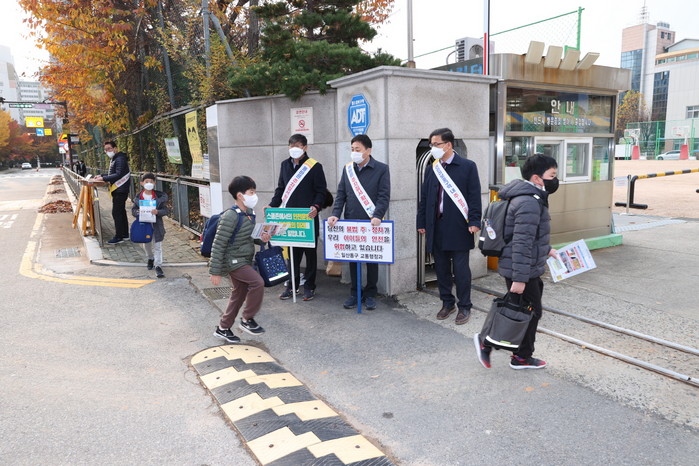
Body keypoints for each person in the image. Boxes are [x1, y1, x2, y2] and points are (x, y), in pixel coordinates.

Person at [474, 154, 559, 370]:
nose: (555, 180)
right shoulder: (529, 201)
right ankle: (502, 349)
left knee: (521, 310)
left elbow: (529, 236)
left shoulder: (529, 196)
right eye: (552, 175)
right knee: (527, 312)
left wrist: (547, 250)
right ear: (537, 178)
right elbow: (521, 242)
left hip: (522, 266)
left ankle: (516, 354)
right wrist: (520, 279)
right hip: (521, 269)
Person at [416, 128, 482, 325]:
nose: (432, 148)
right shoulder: (432, 168)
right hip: (436, 226)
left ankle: (464, 306)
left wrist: (474, 221)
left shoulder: (467, 166)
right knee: (441, 268)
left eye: (436, 144)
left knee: (461, 270)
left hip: (459, 226)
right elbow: (425, 199)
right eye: (431, 144)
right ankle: (447, 302)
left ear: (448, 145)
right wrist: (421, 222)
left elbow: (474, 196)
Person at [327, 134, 390, 310]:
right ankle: (355, 293)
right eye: (352, 149)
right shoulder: (348, 169)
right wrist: (336, 214)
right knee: (353, 259)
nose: (354, 152)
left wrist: (378, 215)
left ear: (368, 150)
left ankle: (370, 294)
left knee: (371, 261)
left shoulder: (381, 169)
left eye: (358, 149)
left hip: (372, 223)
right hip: (352, 222)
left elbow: (384, 195)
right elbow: (341, 194)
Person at [210, 176, 272, 344]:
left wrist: (262, 239)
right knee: (257, 282)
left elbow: (247, 237)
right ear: (240, 195)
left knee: (239, 294)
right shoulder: (230, 216)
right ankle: (247, 319)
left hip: (244, 258)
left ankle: (223, 328)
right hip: (234, 261)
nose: (254, 196)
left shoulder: (249, 214)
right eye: (251, 192)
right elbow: (218, 244)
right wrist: (215, 271)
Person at [267, 134, 328, 301]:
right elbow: (280, 189)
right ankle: (291, 286)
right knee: (293, 254)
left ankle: (309, 286)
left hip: (308, 217)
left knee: (310, 254)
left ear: (305, 148)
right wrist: (272, 205)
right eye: (292, 146)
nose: (294, 149)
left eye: (298, 146)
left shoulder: (315, 166)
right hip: (290, 218)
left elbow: (321, 191)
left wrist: (316, 206)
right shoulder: (284, 165)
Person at [130, 173, 168, 278]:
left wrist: (158, 212)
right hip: (144, 225)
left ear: (155, 183)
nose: (149, 184)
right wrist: (138, 212)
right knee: (147, 244)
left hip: (157, 225)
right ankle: (150, 258)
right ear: (142, 183)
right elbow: (133, 210)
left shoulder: (159, 197)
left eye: (151, 182)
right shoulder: (138, 197)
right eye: (146, 182)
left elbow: (165, 210)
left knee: (158, 245)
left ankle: (158, 265)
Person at [94, 141, 131, 244]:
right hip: (119, 189)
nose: (107, 151)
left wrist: (103, 178)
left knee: (116, 213)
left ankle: (119, 236)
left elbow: (118, 174)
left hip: (120, 189)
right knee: (121, 212)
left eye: (109, 148)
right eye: (106, 150)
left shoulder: (119, 159)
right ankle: (124, 234)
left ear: (115, 148)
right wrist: (102, 176)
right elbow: (113, 173)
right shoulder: (116, 159)